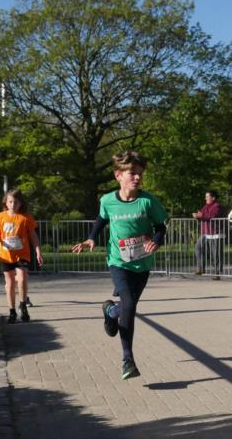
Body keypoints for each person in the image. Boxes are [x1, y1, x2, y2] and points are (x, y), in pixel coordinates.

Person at [72, 151, 168, 380]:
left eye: (140, 174)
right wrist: (91, 237)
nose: (137, 178)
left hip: (142, 264)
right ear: (118, 175)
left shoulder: (148, 201)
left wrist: (156, 241)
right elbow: (102, 219)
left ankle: (110, 310)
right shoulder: (107, 201)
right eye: (132, 173)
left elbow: (161, 227)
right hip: (118, 262)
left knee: (125, 306)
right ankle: (128, 359)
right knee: (130, 304)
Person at [0, 189, 44, 324]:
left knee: (22, 278)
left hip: (22, 254)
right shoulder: (0, 217)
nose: (13, 204)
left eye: (16, 202)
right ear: (6, 203)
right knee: (9, 284)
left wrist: (38, 251)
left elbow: (33, 236)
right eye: (10, 202)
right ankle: (12, 311)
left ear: (20, 203)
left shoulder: (25, 217)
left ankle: (23, 306)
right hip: (6, 255)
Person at [193, 191, 225, 279]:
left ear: (213, 198)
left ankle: (217, 273)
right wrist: (197, 216)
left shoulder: (217, 206)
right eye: (205, 196)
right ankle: (201, 268)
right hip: (205, 233)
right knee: (198, 247)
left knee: (216, 255)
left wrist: (201, 215)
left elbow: (212, 216)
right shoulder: (205, 206)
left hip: (215, 233)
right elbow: (202, 215)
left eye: (207, 196)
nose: (206, 198)